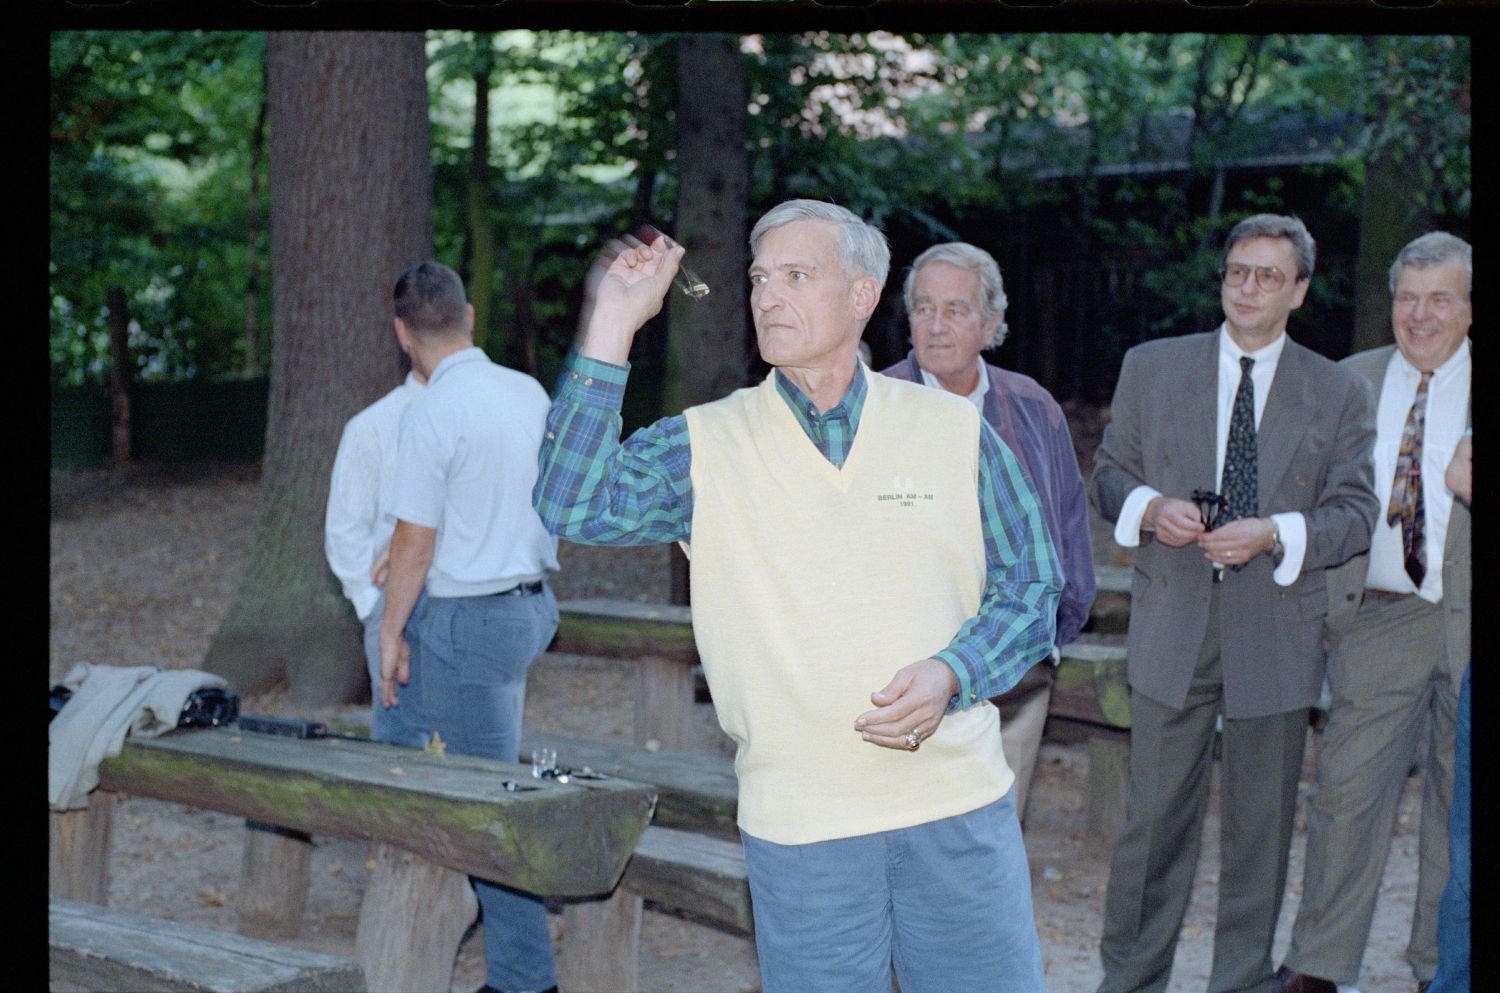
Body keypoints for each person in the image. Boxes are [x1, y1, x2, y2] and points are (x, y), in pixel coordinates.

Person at [534, 200, 1063, 993]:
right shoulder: (706, 443)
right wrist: (612, 322)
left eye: (795, 276)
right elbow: (569, 503)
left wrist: (955, 670)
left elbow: (1033, 588)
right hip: (801, 829)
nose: (767, 296)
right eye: (757, 279)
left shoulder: (953, 430)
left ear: (861, 295)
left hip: (956, 812)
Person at [1090, 213, 1379, 993]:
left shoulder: (1339, 389)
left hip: (1278, 630)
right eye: (1237, 271)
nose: (1248, 287)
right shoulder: (1152, 367)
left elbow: (1356, 513)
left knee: (1259, 833)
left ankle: (1240, 981)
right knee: (1152, 826)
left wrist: (1274, 531)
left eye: (1268, 276)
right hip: (1172, 622)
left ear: (1300, 291)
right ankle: (1130, 980)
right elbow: (1109, 472)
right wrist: (1152, 508)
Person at [1276, 232, 1472, 993]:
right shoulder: (1347, 382)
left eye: (1440, 300)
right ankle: (1321, 964)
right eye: (1407, 298)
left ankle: (1440, 965)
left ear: (1468, 308)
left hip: (1466, 619)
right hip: (1379, 615)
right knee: (1346, 794)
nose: (1420, 316)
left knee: (1461, 808)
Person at [377, 261, 562, 993]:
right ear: (470, 316)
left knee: (489, 806)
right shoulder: (527, 391)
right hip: (529, 604)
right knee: (403, 742)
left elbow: (414, 542)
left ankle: (527, 979)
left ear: (402, 333)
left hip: (470, 620)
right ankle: (415, 891)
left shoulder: (430, 411)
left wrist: (391, 634)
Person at [882, 242, 1096, 821]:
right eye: (923, 308)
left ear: (992, 323)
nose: (936, 324)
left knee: (991, 841)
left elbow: (1069, 530)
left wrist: (1050, 640)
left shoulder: (1032, 407)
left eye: (956, 309)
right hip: (905, 674)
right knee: (907, 837)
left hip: (1014, 676)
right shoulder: (875, 407)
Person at [324, 348, 424, 742]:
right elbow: (344, 530)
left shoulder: (492, 410)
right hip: (392, 604)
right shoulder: (373, 426)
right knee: (402, 753)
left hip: (471, 607)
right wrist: (375, 610)